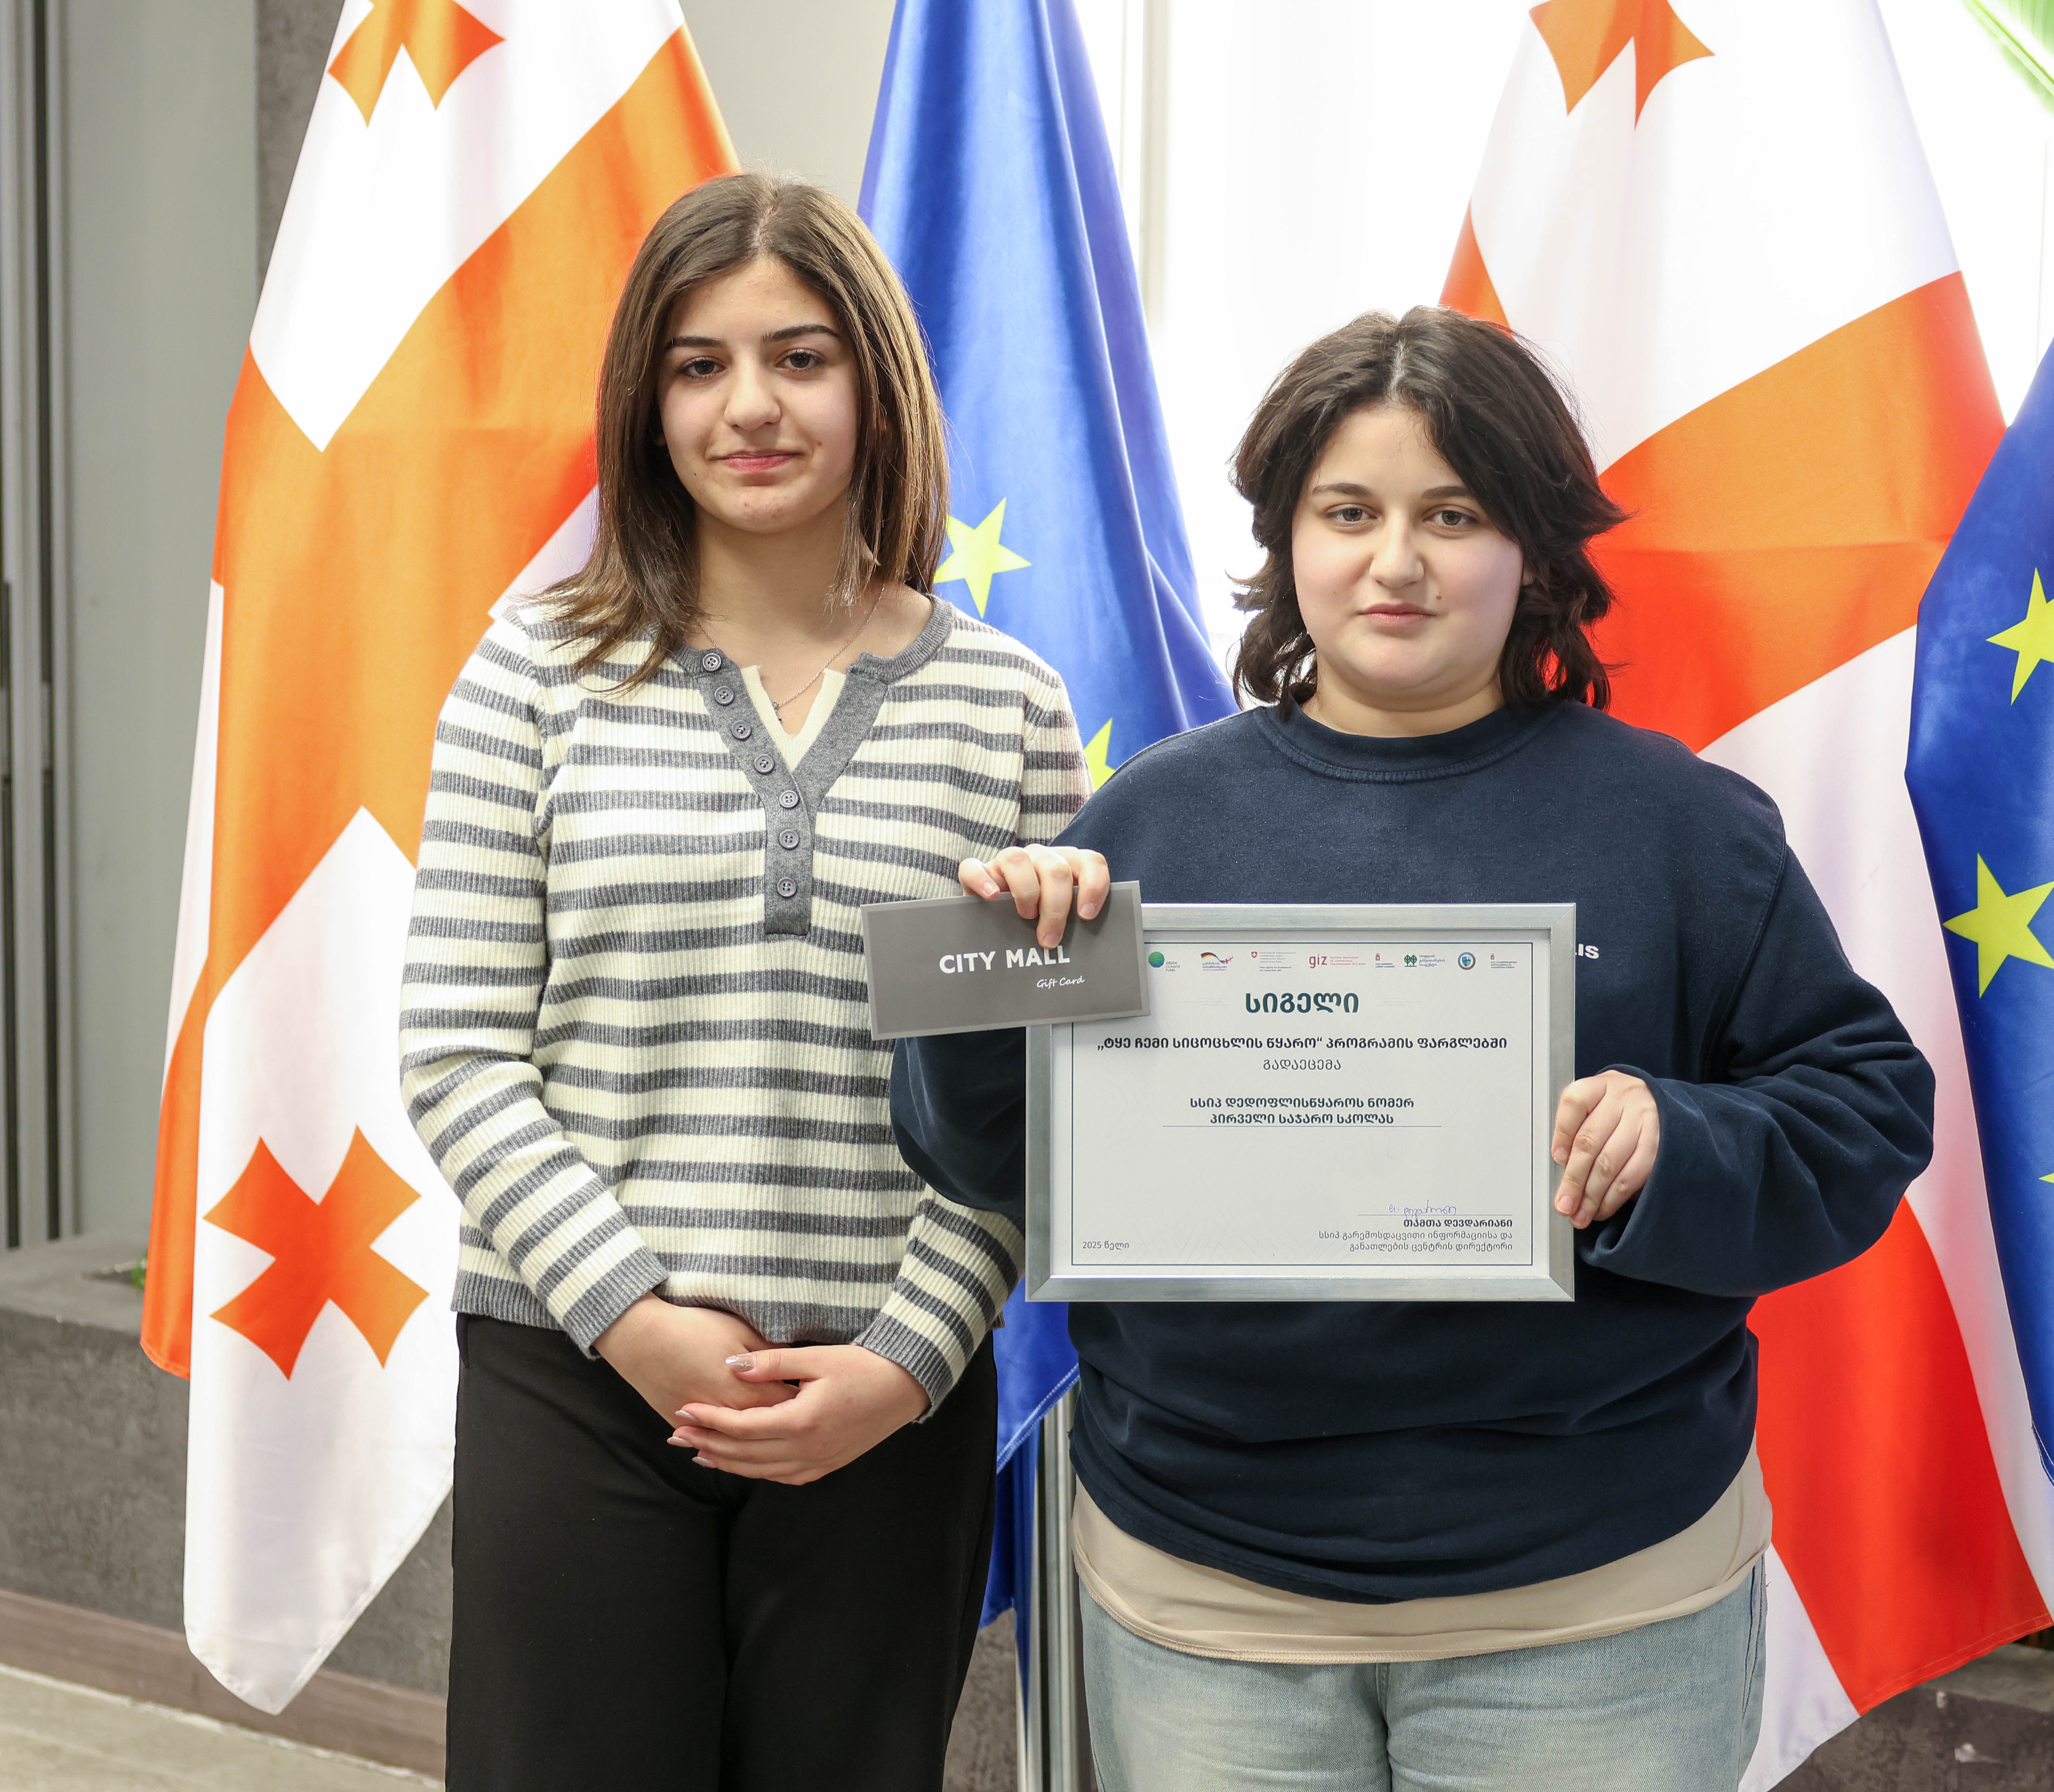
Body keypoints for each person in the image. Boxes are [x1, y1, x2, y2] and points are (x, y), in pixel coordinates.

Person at [889, 307, 1938, 1792]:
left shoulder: (1682, 827)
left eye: (1453, 515)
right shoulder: (1153, 823)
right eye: (1349, 513)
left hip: (1596, 1602)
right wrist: (1001, 981)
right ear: (1287, 539)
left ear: (1535, 550)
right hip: (1206, 1597)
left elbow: (1869, 1109)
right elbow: (979, 1157)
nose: (1397, 562)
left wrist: (1678, 1142)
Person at [399, 172, 1092, 1792]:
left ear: (877, 386)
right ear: (647, 403)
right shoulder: (529, 674)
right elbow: (458, 1054)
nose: (751, 407)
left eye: (800, 357)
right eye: (699, 365)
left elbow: (1038, 1096)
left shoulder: (1010, 707)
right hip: (578, 1373)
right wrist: (637, 1320)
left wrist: (908, 1356)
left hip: (886, 1400)